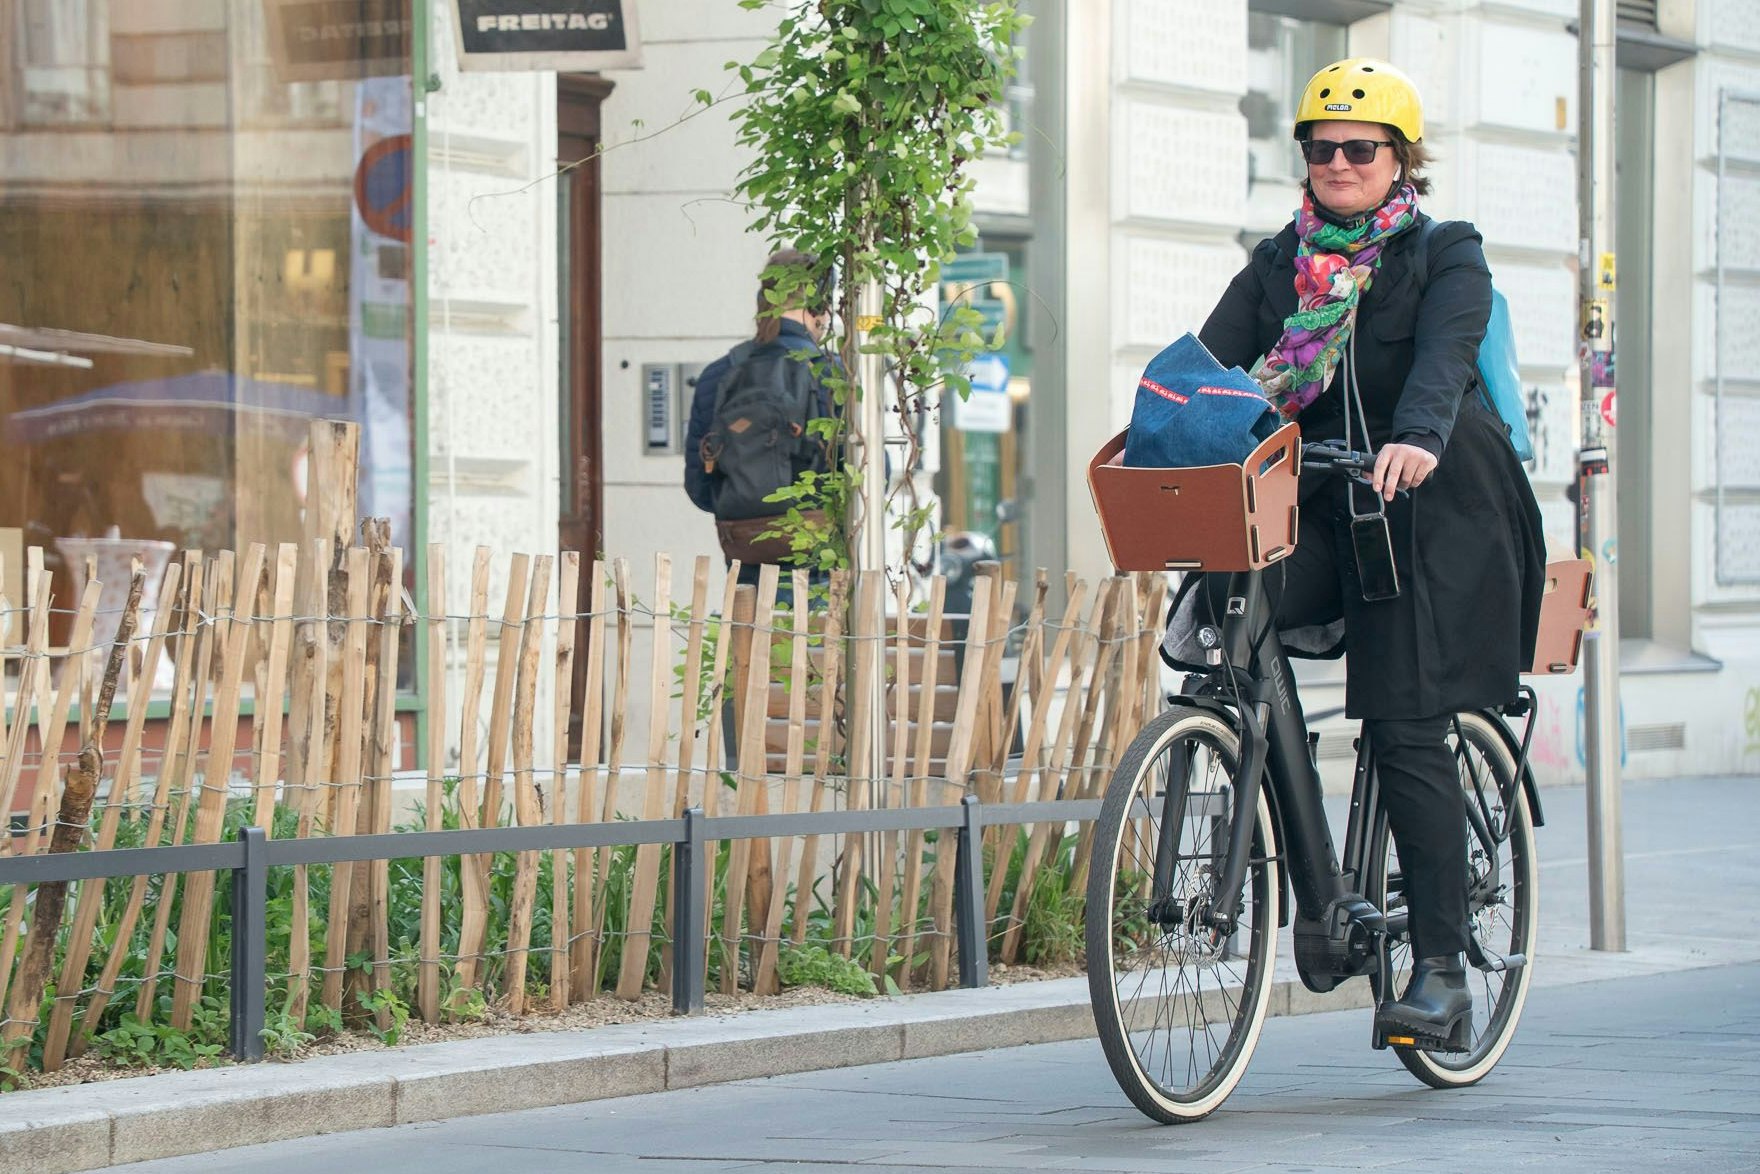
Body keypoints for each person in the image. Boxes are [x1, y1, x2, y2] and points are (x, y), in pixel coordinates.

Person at [1190, 58, 1545, 1041]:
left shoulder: (1444, 255)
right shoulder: (1276, 267)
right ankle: (1312, 892)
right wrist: (1161, 426)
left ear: (1398, 161)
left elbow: (1441, 359)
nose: (1337, 161)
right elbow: (1210, 368)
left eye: (1359, 147)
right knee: (1233, 621)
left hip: (1432, 512)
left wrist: (1416, 436)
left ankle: (1438, 971)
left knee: (1401, 720)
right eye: (1321, 147)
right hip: (1320, 503)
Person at [684, 247, 837, 588]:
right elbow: (870, 475)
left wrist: (748, 511)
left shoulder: (718, 374)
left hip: (745, 567)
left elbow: (699, 487)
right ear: (818, 308)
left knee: (748, 642)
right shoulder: (833, 374)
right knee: (816, 642)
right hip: (819, 570)